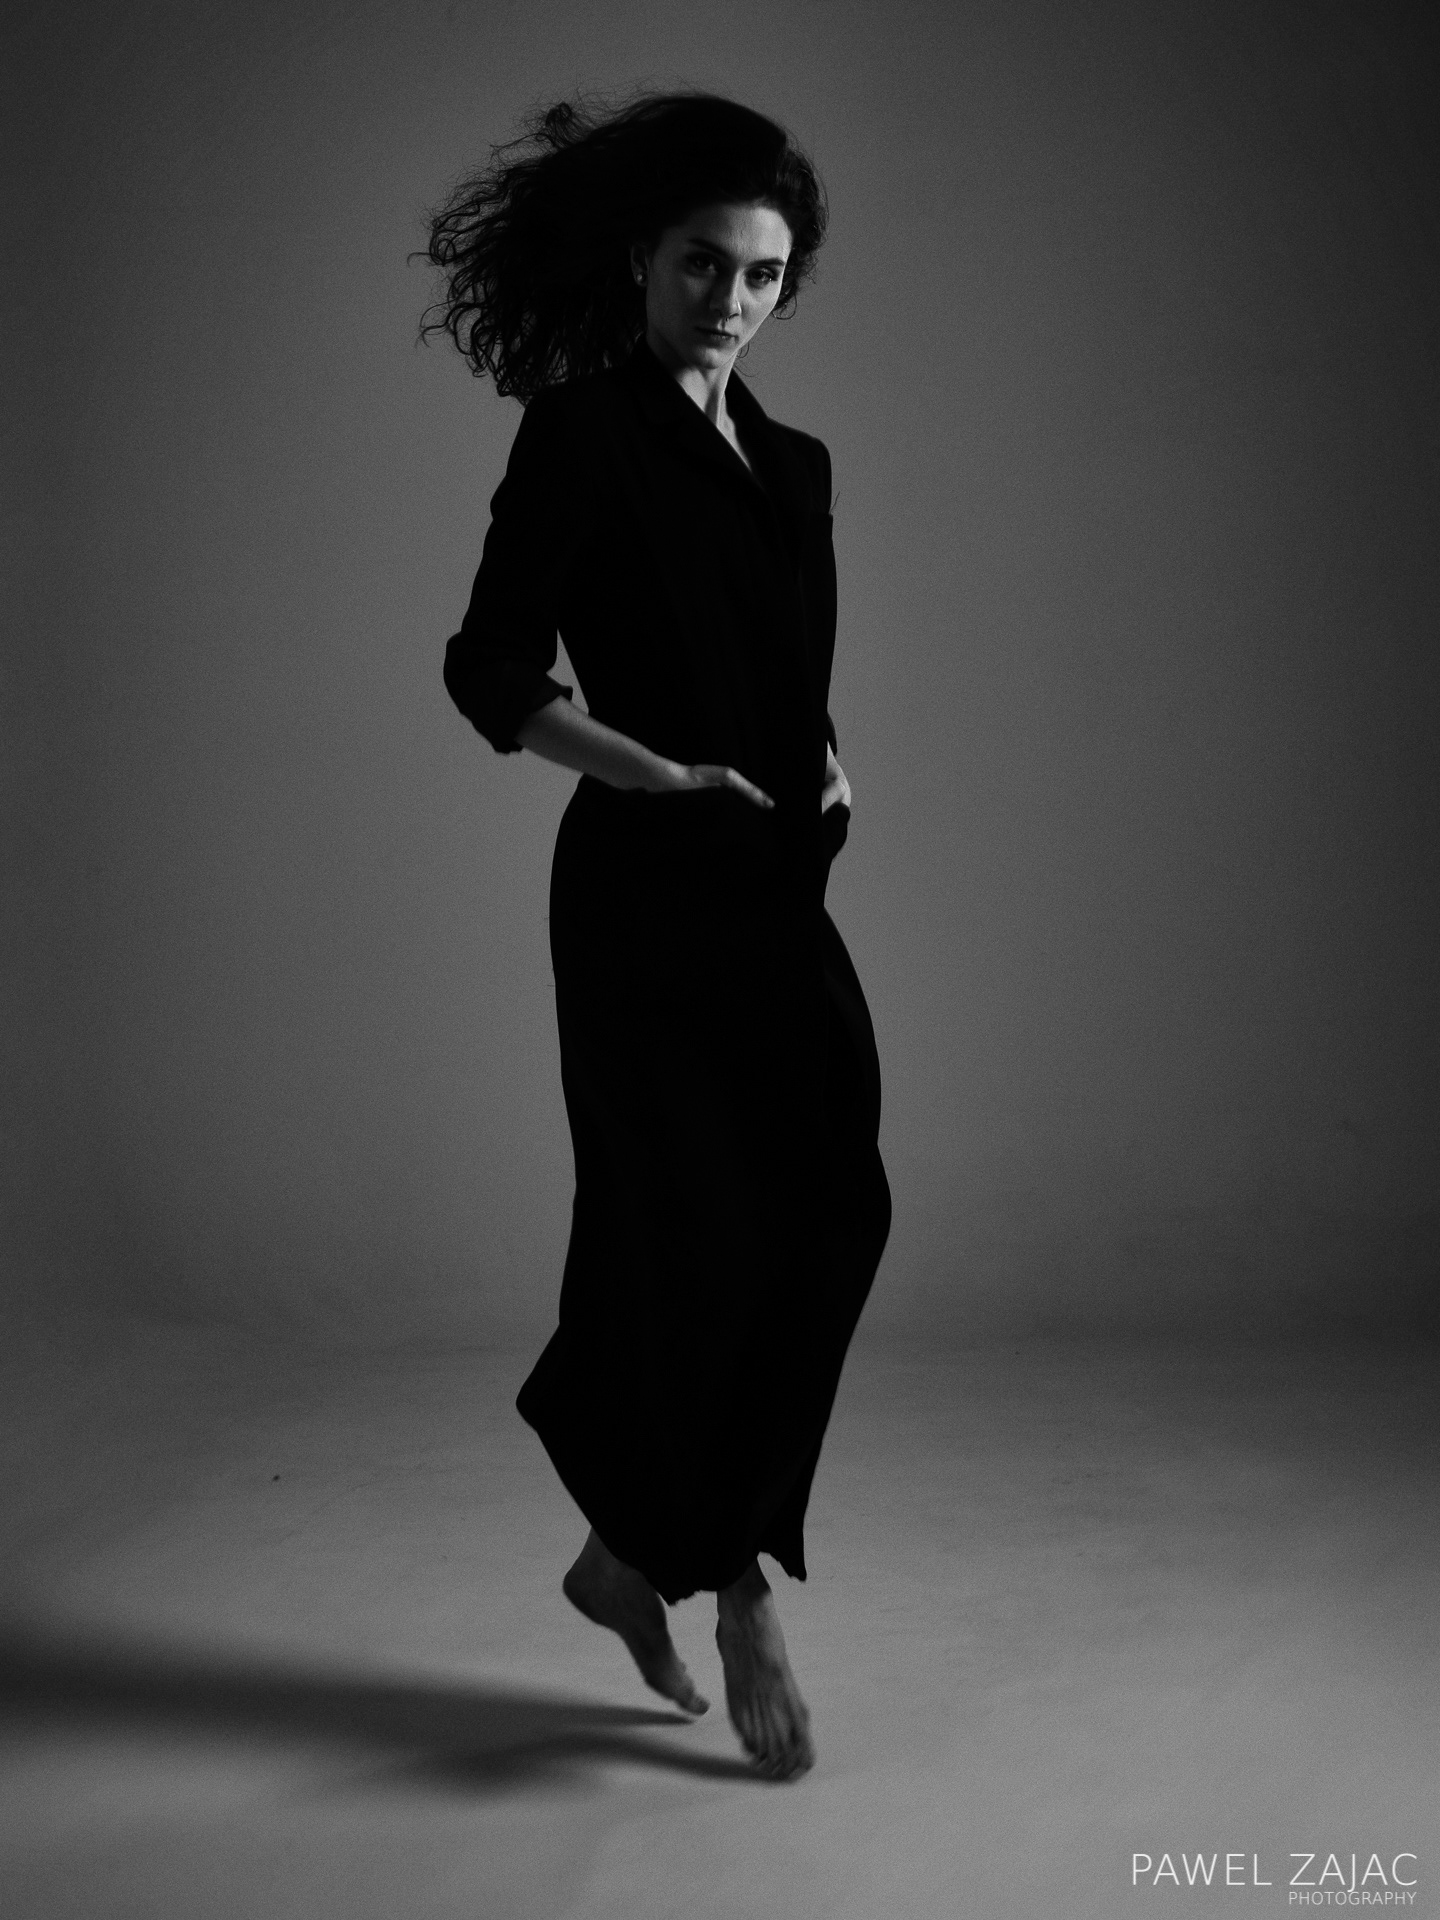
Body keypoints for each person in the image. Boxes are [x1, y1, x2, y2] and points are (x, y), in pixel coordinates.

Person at [426, 91, 891, 1781]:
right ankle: (737, 1583)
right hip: (642, 898)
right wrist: (656, 772)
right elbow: (489, 666)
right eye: (704, 264)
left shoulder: (797, 464)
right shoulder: (583, 435)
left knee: (832, 1211)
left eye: (763, 275)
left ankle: (628, 1551)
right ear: (642, 258)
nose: (732, 300)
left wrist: (826, 753)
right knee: (681, 1236)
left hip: (778, 887)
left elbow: (781, 657)